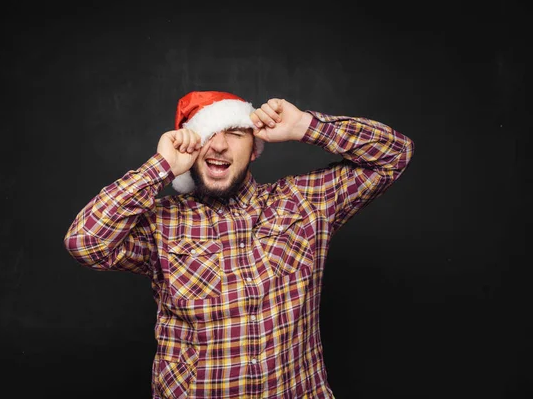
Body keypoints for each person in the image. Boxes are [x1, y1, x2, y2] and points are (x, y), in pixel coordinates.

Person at [63, 90, 415, 398]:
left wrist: (306, 127)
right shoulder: (161, 222)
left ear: (255, 148)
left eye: (234, 133)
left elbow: (394, 155)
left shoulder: (302, 203)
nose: (218, 145)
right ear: (189, 146)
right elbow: (85, 242)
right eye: (205, 135)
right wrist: (160, 168)